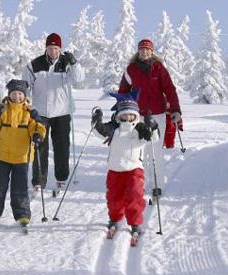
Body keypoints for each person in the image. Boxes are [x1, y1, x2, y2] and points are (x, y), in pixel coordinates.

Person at [23, 32, 84, 197]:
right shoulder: (35, 64)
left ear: (60, 48)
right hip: (40, 113)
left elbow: (79, 79)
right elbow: (26, 85)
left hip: (62, 112)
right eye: (50, 48)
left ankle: (61, 179)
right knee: (39, 147)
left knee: (62, 147)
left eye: (56, 48)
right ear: (46, 48)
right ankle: (38, 182)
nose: (53, 51)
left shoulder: (66, 63)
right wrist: (27, 102)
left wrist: (75, 63)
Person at [0, 79, 46, 225]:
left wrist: (38, 135)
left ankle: (22, 215)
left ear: (24, 95)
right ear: (9, 94)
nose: (17, 97)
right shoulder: (1, 111)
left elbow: (39, 126)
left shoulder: (30, 112)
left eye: (20, 94)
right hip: (2, 157)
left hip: (22, 157)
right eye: (14, 93)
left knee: (20, 187)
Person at [117, 38, 182, 192]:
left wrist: (176, 110)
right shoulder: (131, 69)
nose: (144, 52)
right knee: (138, 151)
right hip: (137, 117)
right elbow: (123, 92)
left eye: (147, 49)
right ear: (138, 51)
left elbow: (170, 89)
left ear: (152, 51)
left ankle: (157, 185)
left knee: (155, 151)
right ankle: (139, 184)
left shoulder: (159, 68)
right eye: (142, 49)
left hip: (157, 115)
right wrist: (123, 110)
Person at [91, 92, 159, 235]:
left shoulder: (139, 129)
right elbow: (98, 132)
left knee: (134, 197)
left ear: (136, 115)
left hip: (134, 170)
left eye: (131, 115)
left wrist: (152, 125)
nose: (127, 118)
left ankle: (135, 222)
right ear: (119, 115)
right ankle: (114, 219)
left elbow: (153, 137)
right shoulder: (113, 128)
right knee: (114, 198)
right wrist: (96, 120)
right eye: (124, 115)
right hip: (114, 170)